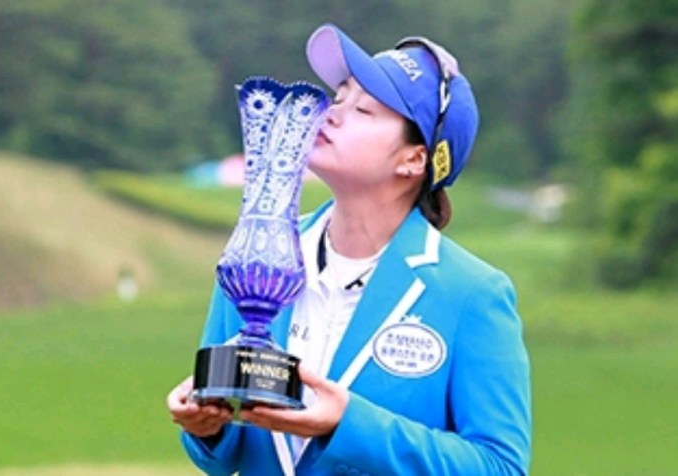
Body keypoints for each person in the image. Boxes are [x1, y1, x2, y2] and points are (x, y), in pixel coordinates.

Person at [167, 23, 531, 476]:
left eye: (363, 109)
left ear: (414, 159)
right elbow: (227, 449)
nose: (332, 113)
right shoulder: (254, 253)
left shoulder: (473, 293)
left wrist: (348, 424)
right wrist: (205, 429)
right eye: (338, 97)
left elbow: (500, 465)